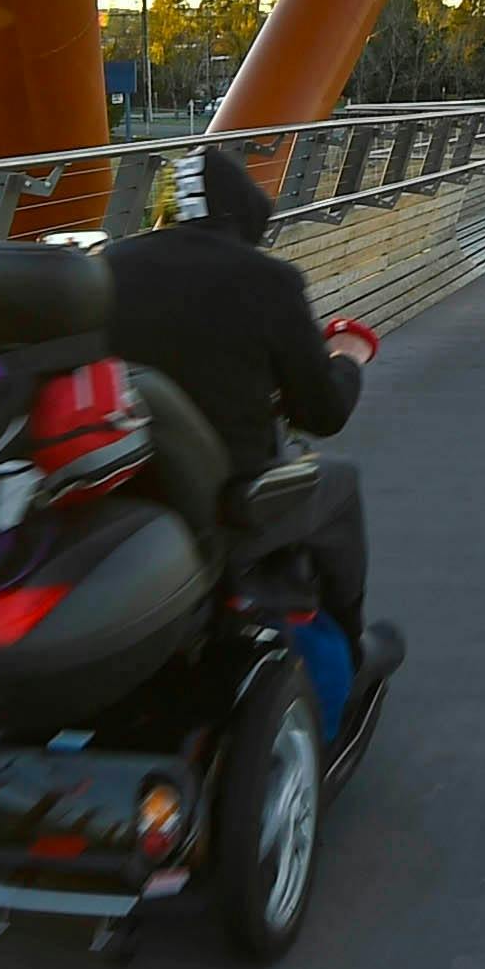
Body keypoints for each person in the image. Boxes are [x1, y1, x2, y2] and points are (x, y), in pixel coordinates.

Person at [103, 141, 400, 698]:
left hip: (124, 499)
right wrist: (348, 358)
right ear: (244, 214)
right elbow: (323, 413)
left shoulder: (105, 270)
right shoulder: (266, 281)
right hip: (228, 504)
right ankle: (352, 649)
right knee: (339, 487)